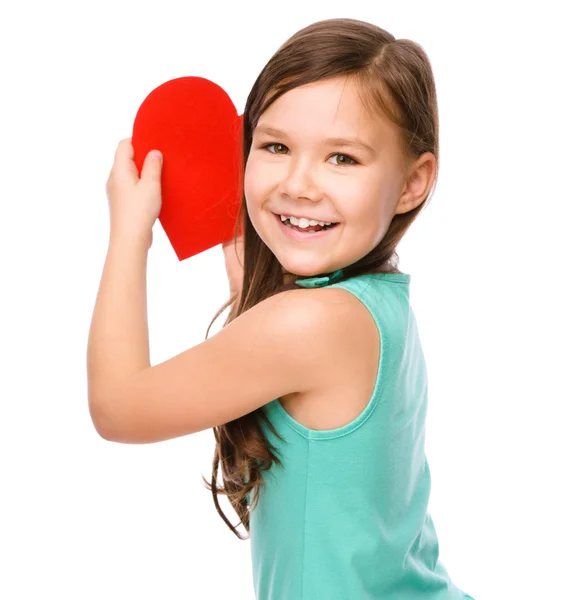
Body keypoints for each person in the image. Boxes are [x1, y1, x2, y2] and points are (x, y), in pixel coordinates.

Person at [90, 16, 475, 600]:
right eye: (274, 146)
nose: (298, 183)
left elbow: (116, 409)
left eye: (342, 158)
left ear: (412, 183)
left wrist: (129, 231)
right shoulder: (374, 302)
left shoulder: (310, 324)